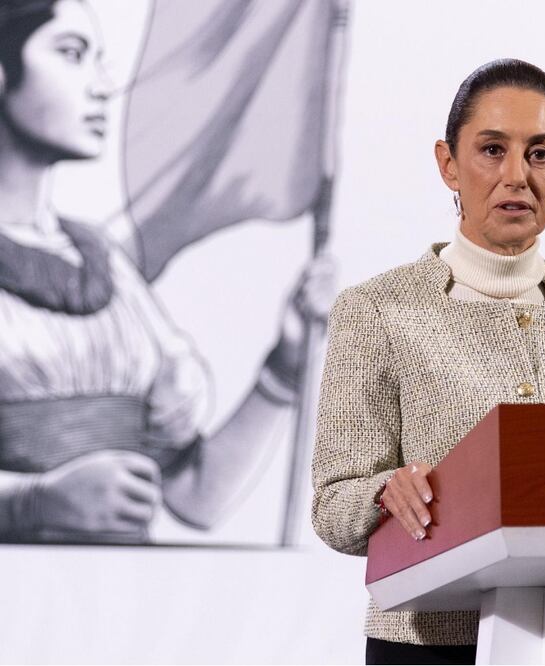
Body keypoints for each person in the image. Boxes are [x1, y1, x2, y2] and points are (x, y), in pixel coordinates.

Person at [311, 58, 545, 664]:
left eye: (540, 154)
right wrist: (382, 493)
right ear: (448, 164)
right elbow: (332, 504)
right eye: (492, 150)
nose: (516, 176)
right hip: (430, 643)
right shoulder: (377, 310)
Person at [0, 0, 334, 543]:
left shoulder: (107, 267)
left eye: (100, 60)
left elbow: (195, 497)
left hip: (122, 608)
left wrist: (286, 363)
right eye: (71, 54)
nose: (103, 86)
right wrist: (31, 502)